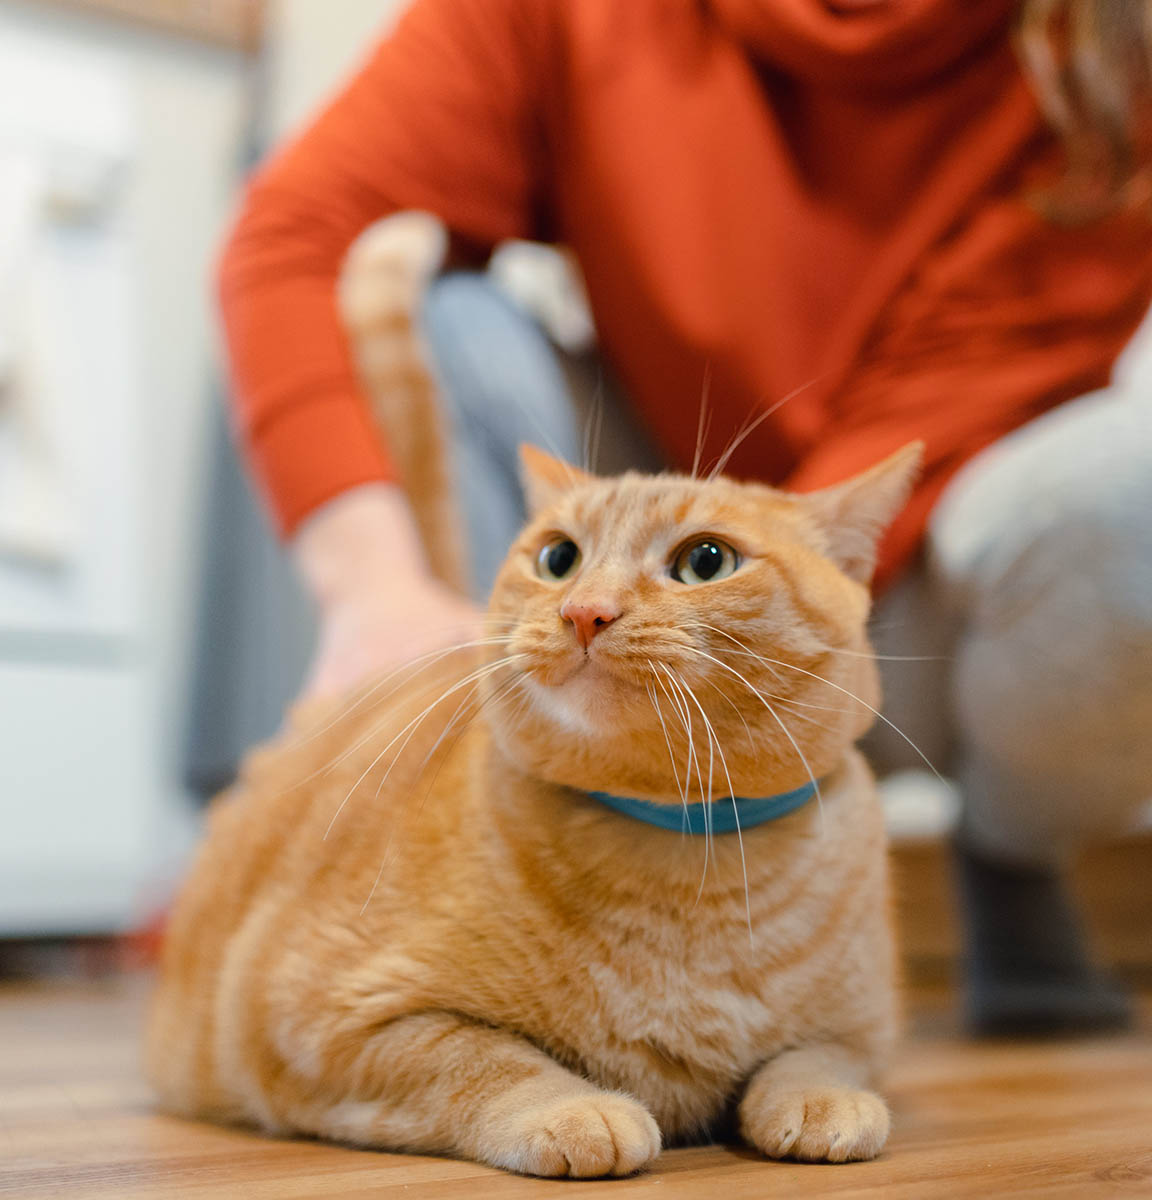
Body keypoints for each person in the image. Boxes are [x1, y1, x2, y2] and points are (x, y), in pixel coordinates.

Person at [216, 0, 1152, 1034]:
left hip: (896, 562)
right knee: (442, 315)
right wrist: (373, 591)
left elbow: (906, 439)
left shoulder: (1106, 53)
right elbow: (297, 232)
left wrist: (759, 608)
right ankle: (499, 862)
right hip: (651, 491)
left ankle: (1015, 852)